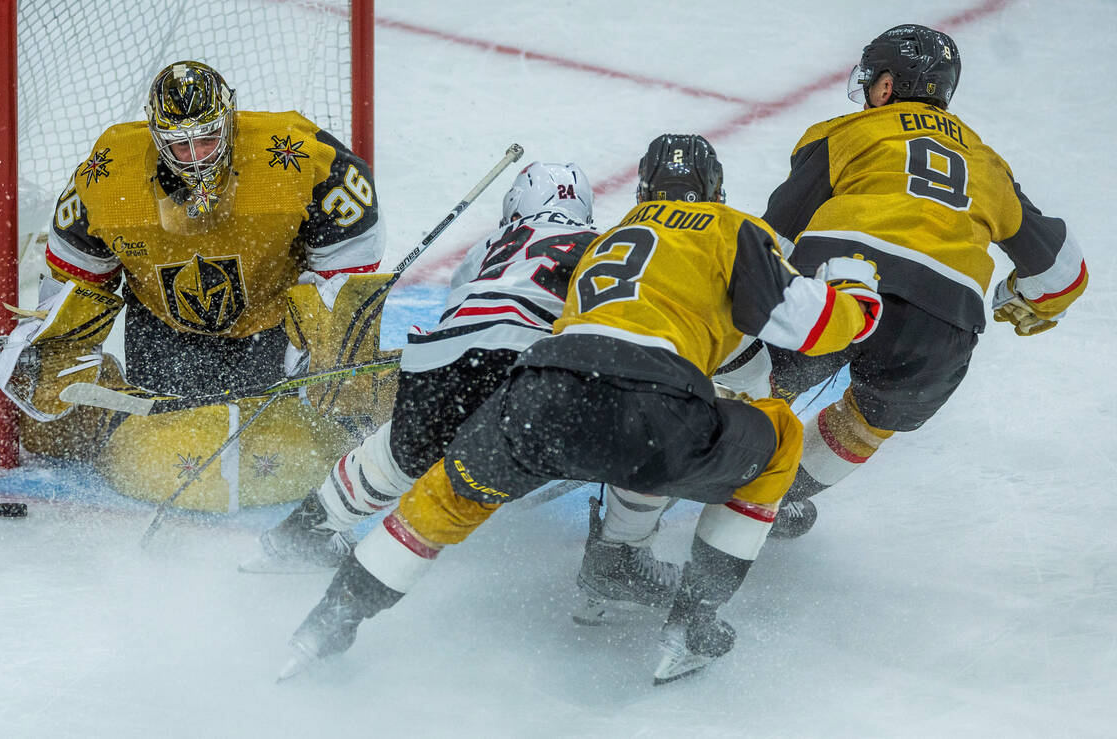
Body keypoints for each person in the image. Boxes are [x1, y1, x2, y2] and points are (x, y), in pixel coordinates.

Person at [276, 134, 885, 685]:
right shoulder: (730, 227)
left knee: (443, 496)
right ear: (716, 190)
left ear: (643, 189)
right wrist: (858, 297)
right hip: (652, 400)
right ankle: (689, 619)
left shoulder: (607, 241)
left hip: (540, 389)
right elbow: (809, 326)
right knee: (769, 432)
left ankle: (325, 624)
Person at [0, 60, 390, 509]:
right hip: (163, 329)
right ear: (156, 136)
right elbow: (73, 287)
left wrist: (322, 345)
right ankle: (106, 423)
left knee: (298, 438)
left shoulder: (301, 158)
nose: (197, 156)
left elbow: (350, 266)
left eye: (207, 138)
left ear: (230, 120)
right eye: (180, 145)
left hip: (268, 325)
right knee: (109, 439)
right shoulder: (107, 179)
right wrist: (53, 345)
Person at [759, 24, 1089, 538]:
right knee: (869, 421)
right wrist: (1020, 296)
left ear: (886, 86)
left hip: (839, 286)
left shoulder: (844, 133)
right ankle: (780, 497)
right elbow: (1064, 274)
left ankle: (703, 468)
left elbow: (771, 241)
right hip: (944, 322)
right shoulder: (986, 163)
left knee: (755, 381)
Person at [239, 162, 601, 571]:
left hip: (444, 357)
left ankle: (299, 537)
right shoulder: (607, 245)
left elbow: (460, 316)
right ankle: (620, 546)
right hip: (531, 366)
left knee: (396, 454)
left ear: (515, 206)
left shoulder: (490, 245)